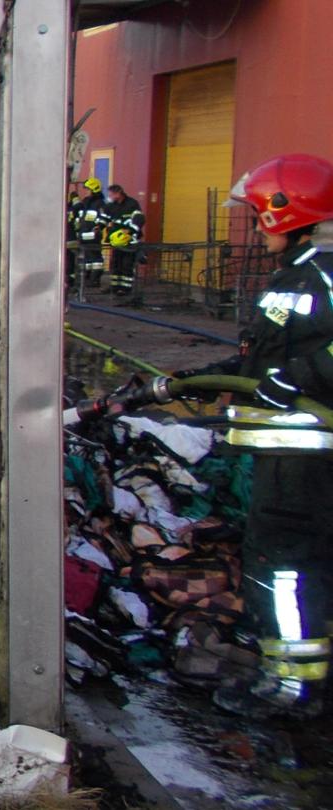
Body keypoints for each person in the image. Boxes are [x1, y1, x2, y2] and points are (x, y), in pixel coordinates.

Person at [201, 153, 333, 717]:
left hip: (307, 458)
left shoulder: (323, 273)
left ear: (288, 210)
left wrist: (294, 381)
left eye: (259, 215)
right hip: (285, 456)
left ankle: (293, 684)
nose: (256, 227)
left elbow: (306, 365)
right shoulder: (299, 272)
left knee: (283, 565)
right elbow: (269, 357)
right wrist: (202, 379)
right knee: (287, 561)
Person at [102, 183, 145, 302]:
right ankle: (115, 287)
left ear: (118, 193)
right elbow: (104, 219)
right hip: (116, 241)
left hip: (129, 242)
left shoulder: (132, 204)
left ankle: (125, 289)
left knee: (127, 265)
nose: (110, 197)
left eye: (111, 194)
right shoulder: (111, 206)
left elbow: (139, 220)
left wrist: (130, 231)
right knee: (116, 264)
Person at [70, 178, 107, 290]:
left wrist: (99, 227)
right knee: (85, 259)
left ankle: (95, 279)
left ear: (94, 189)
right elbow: (79, 214)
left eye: (88, 189)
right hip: (83, 234)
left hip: (93, 235)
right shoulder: (86, 202)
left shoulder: (100, 203)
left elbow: (104, 218)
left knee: (95, 259)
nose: (86, 191)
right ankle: (86, 279)